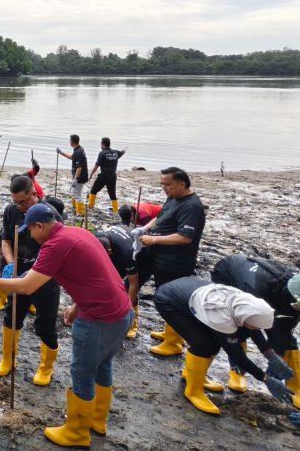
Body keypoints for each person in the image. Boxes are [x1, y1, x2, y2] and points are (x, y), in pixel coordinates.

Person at [0, 203, 133, 447]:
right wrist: (77, 304)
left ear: (40, 226)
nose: (30, 235)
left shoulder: (54, 245)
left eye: (31, 230)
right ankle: (97, 421)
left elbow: (28, 286)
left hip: (100, 318)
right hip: (122, 312)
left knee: (82, 372)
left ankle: (77, 432)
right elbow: (98, 275)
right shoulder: (78, 233)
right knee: (102, 367)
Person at [154, 277, 295, 416]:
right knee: (203, 344)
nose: (257, 329)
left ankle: (195, 376)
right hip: (168, 300)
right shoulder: (222, 317)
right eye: (256, 326)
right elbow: (237, 356)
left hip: (192, 292)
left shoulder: (248, 304)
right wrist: (265, 379)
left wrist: (271, 356)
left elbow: (254, 328)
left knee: (215, 341)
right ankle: (193, 391)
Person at [0, 175, 62, 387]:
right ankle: (7, 360)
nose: (19, 206)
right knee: (12, 314)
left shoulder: (50, 215)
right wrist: (11, 263)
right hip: (19, 273)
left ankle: (45, 368)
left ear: (34, 194)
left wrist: (37, 271)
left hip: (45, 276)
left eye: (23, 201)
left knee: (46, 323)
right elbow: (5, 240)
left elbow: (58, 249)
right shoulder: (11, 211)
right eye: (16, 202)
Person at [211, 254, 300, 404]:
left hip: (278, 294)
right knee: (240, 328)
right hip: (229, 274)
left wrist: (276, 359)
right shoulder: (254, 290)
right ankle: (237, 369)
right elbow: (251, 326)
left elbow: (283, 333)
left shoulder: (294, 294)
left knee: (285, 338)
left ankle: (295, 386)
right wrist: (269, 358)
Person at [139, 167, 206, 356]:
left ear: (182, 184)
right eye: (162, 185)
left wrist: (154, 240)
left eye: (168, 185)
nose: (164, 189)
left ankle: (174, 343)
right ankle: (171, 332)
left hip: (175, 261)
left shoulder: (192, 206)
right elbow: (161, 217)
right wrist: (146, 227)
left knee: (173, 301)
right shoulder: (173, 198)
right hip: (159, 257)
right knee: (163, 295)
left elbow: (185, 237)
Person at [95, 226, 143, 339]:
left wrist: (126, 312)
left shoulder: (127, 252)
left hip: (141, 253)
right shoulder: (94, 240)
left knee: (126, 288)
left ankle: (131, 323)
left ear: (110, 252)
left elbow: (133, 284)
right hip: (116, 245)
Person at [87, 137, 125, 214]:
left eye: (101, 144)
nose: (100, 145)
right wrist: (125, 150)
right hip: (112, 176)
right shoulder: (116, 152)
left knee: (93, 190)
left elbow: (96, 165)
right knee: (112, 194)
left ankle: (90, 206)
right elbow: (122, 152)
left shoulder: (102, 153)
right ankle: (115, 210)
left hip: (103, 176)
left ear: (103, 144)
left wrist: (91, 174)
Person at [57, 135, 88, 216]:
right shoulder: (79, 149)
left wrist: (76, 179)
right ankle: (76, 208)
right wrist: (61, 153)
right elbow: (72, 157)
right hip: (82, 176)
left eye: (70, 140)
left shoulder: (78, 152)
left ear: (72, 141)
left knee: (76, 194)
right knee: (76, 193)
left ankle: (80, 212)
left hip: (80, 176)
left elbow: (79, 167)